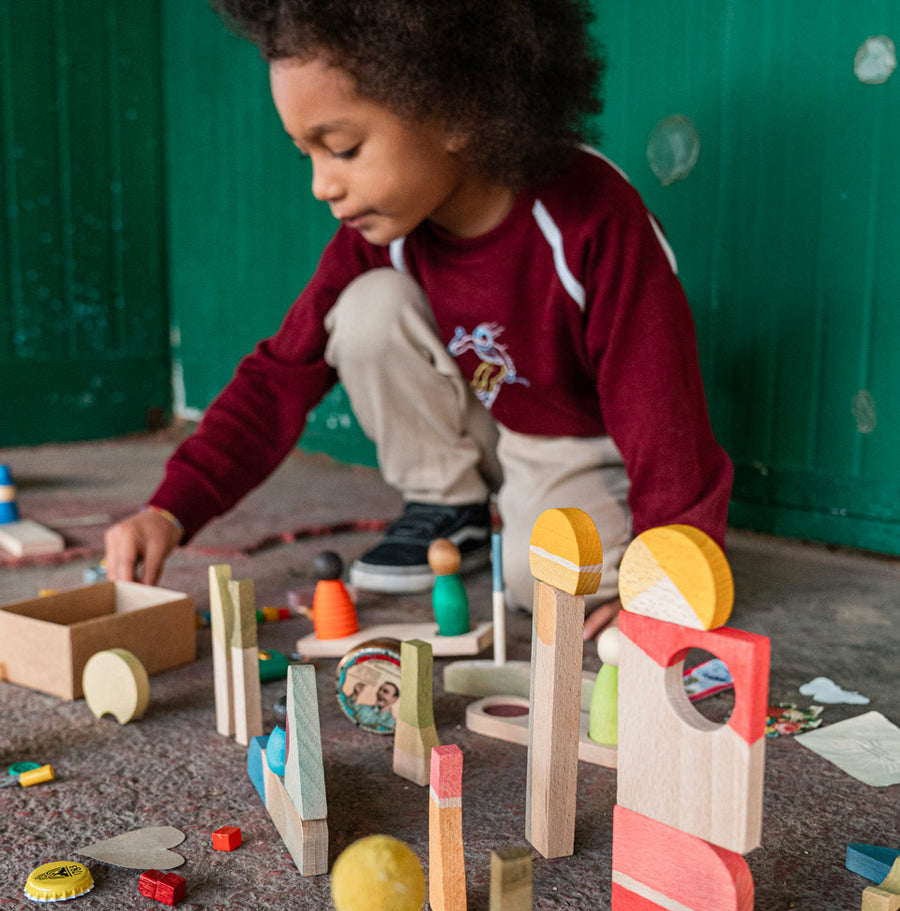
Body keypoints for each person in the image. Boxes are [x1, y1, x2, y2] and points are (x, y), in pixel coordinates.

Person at [104, 0, 732, 639]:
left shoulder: (590, 219)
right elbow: (279, 376)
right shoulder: (382, 231)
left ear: (458, 109)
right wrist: (169, 510)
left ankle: (540, 532)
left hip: (578, 442)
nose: (323, 185)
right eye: (307, 156)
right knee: (366, 310)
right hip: (494, 421)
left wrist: (667, 576)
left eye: (343, 148)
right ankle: (451, 508)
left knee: (541, 583)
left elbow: (662, 414)